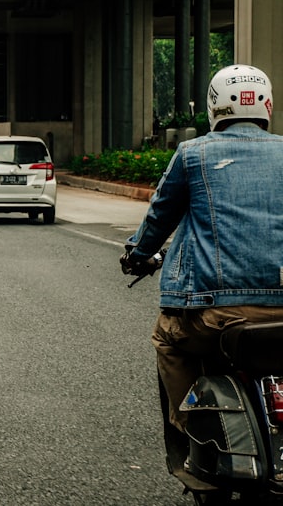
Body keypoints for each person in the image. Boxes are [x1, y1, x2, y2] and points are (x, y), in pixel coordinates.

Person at [121, 65, 283, 468]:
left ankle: (193, 433)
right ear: (268, 106)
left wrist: (138, 255)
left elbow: (159, 218)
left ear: (214, 107)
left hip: (219, 314)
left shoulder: (193, 154)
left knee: (168, 338)